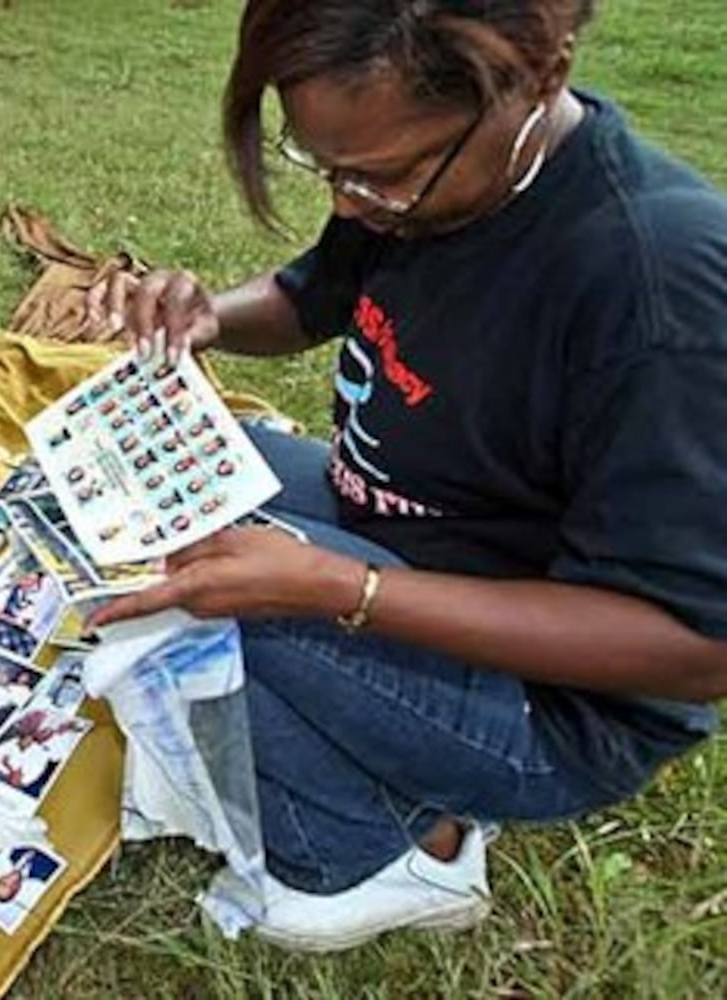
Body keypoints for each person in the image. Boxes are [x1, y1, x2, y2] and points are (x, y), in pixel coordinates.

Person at [85, 0, 727, 954]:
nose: (349, 204)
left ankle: (403, 846)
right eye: (327, 169)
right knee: (156, 478)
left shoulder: (656, 289)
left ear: (538, 80)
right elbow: (310, 299)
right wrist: (208, 317)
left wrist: (346, 592)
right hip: (405, 538)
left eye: (379, 176)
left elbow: (693, 652)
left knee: (220, 608)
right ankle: (356, 708)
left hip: (551, 708)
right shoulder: (433, 175)